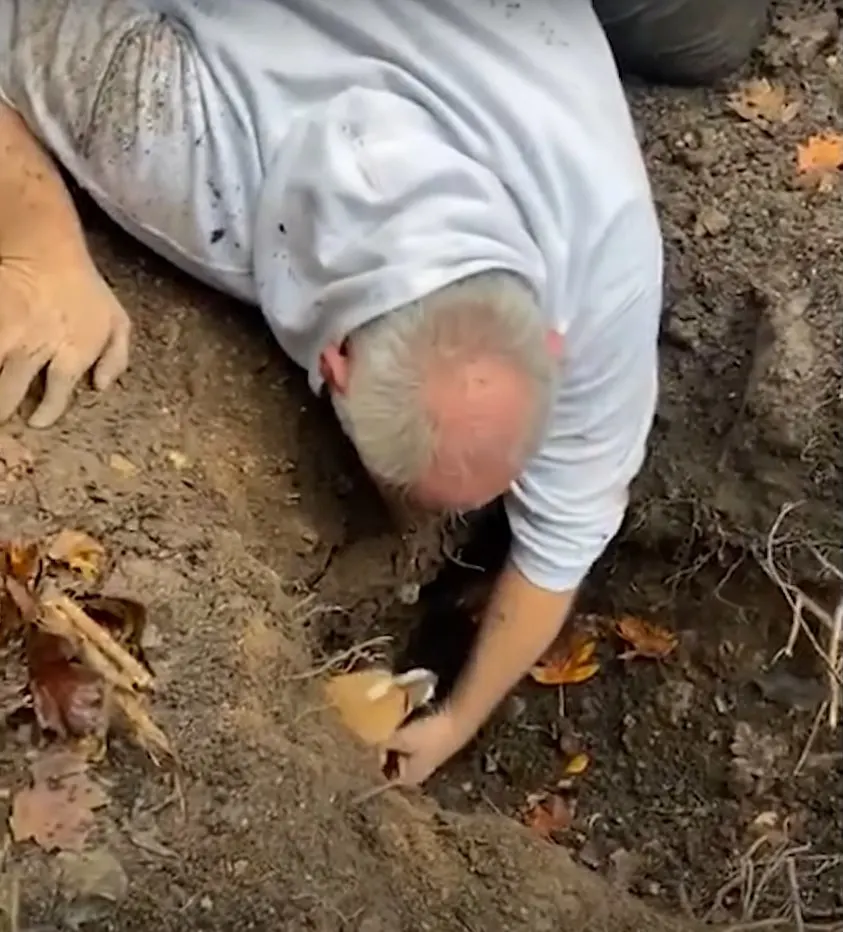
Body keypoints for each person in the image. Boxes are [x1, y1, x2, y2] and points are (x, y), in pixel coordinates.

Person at [0, 0, 768, 784]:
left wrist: (458, 717)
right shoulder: (175, 146)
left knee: (711, 35)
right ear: (334, 366)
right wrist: (43, 248)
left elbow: (566, 531)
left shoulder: (607, 257)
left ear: (554, 344)